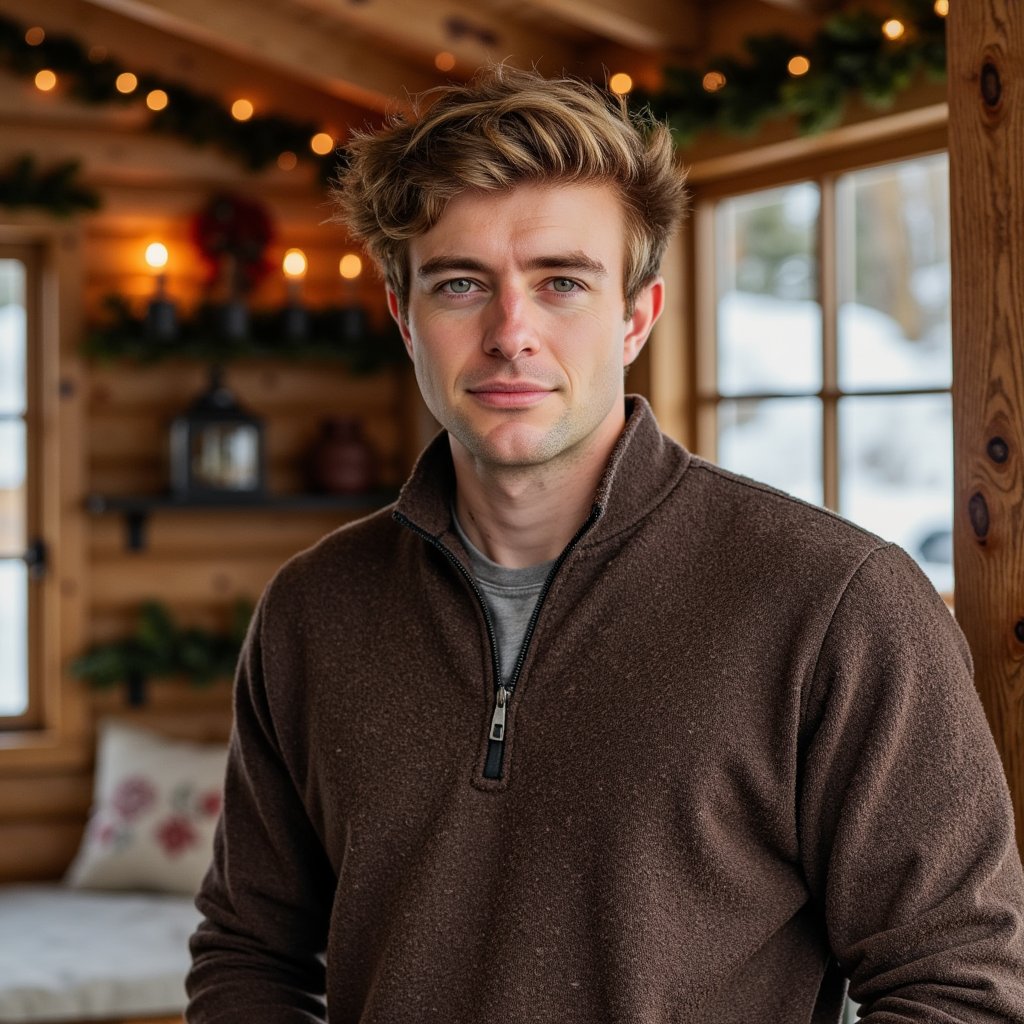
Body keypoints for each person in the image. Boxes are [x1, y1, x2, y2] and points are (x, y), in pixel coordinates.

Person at [186, 66, 1024, 1023]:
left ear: (636, 316)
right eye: (461, 284)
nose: (512, 334)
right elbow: (251, 955)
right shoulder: (314, 607)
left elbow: (959, 988)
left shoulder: (839, 603)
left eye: (562, 284)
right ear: (402, 316)